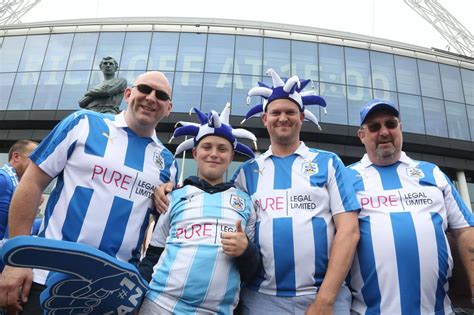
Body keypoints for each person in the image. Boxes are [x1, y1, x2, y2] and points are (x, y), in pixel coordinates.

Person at [154, 69, 361, 314]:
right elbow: (214, 199)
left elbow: (349, 230)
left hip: (323, 297)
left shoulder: (328, 162)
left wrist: (325, 300)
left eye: (290, 112)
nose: (282, 118)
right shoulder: (248, 171)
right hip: (262, 299)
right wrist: (172, 188)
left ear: (302, 117)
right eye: (276, 112)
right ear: (265, 119)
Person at [0, 71, 178, 314]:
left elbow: (163, 227)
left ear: (168, 107)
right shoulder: (83, 123)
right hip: (44, 278)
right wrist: (16, 260)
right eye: (144, 89)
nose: (151, 98)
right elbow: (31, 183)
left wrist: (170, 195)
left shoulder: (168, 163)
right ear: (128, 94)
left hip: (109, 294)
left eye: (161, 95)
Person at [346, 99, 474, 314]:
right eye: (375, 127)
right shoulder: (346, 178)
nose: (384, 132)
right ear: (362, 135)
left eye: (391, 124)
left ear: (401, 129)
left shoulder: (432, 173)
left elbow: (465, 231)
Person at [138, 104, 260, 314]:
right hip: (160, 304)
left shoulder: (245, 202)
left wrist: (247, 251)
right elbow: (153, 256)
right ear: (195, 153)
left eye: (222, 149)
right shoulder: (174, 196)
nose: (214, 154)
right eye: (207, 147)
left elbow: (251, 271)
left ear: (231, 157)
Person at [0, 140, 38, 240]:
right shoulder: (3, 179)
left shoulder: (16, 183)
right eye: (34, 158)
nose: (38, 164)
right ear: (16, 157)